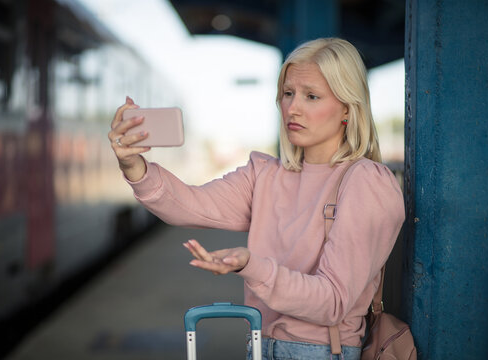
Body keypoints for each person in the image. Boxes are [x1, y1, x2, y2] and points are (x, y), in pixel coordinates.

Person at [108, 38, 405, 360]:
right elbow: (188, 205)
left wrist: (252, 265)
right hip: (259, 345)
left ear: (348, 107)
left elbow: (331, 303)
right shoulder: (265, 174)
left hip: (321, 352)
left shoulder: (366, 183)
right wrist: (134, 166)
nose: (293, 108)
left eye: (312, 96)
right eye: (288, 93)